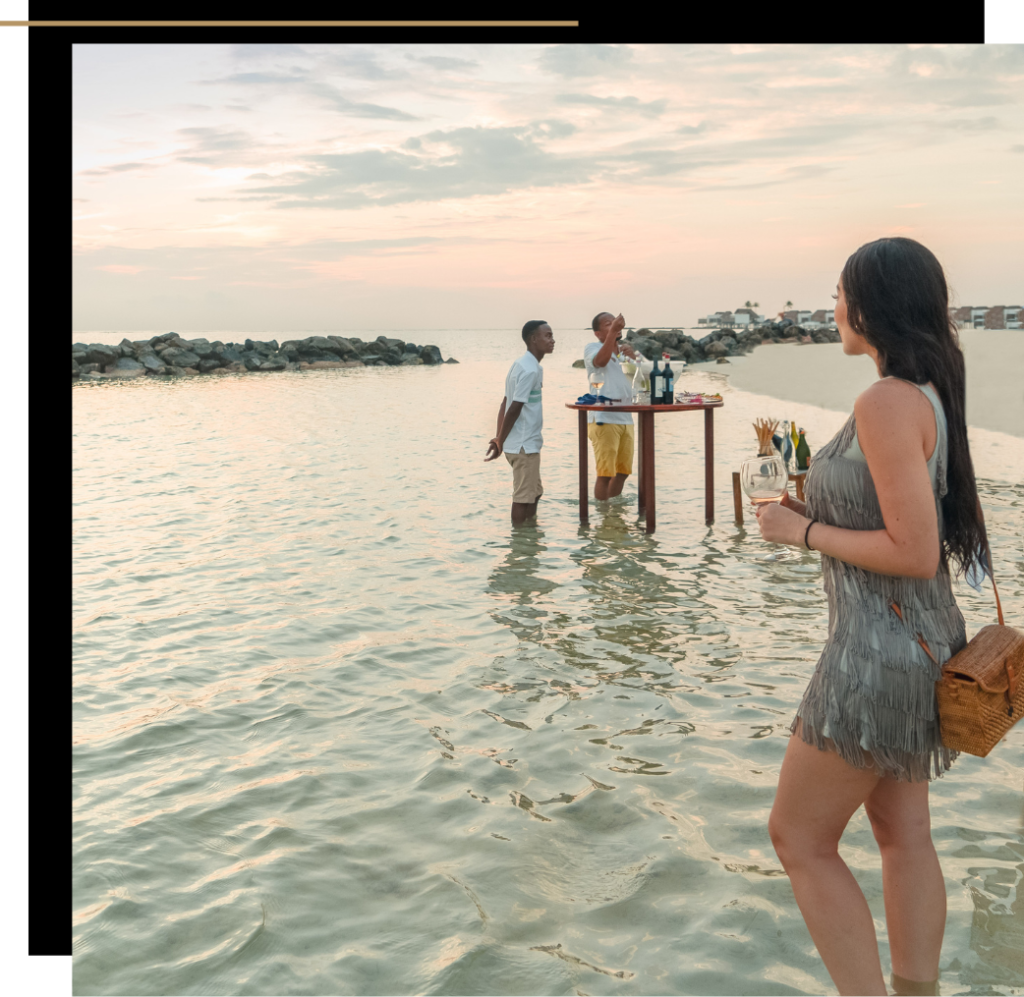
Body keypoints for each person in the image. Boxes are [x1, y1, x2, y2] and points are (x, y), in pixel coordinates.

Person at [756, 237, 988, 996]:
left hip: (876, 652)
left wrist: (804, 530)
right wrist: (812, 507)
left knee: (798, 837)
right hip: (918, 643)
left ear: (870, 306)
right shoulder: (924, 393)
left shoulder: (885, 400)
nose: (833, 309)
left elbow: (915, 549)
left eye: (839, 293)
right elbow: (904, 523)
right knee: (902, 834)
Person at [484, 320, 556, 525]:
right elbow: (513, 407)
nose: (553, 340)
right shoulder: (529, 370)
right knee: (523, 497)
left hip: (523, 442)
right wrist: (500, 441)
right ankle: (520, 543)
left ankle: (530, 534)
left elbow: (505, 402)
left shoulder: (522, 364)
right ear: (534, 339)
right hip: (524, 444)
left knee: (535, 493)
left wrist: (500, 438)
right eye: (548, 336)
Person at [584, 312, 638, 501]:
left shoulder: (623, 353)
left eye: (615, 322)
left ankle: (612, 510)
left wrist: (636, 358)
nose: (615, 325)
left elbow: (644, 379)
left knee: (623, 472)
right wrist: (612, 334)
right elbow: (600, 362)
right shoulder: (593, 347)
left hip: (626, 417)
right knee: (605, 473)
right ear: (598, 333)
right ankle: (602, 514)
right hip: (603, 418)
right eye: (609, 324)